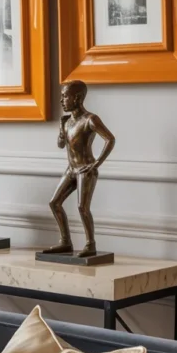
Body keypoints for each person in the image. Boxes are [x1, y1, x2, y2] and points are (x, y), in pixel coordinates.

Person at [43, 81, 115, 259]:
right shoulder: (67, 121)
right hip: (71, 169)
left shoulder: (90, 119)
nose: (61, 101)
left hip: (85, 169)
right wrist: (61, 128)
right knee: (54, 203)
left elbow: (110, 139)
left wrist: (97, 163)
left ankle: (90, 244)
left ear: (77, 98)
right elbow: (61, 145)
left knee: (82, 207)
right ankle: (65, 241)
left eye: (65, 96)